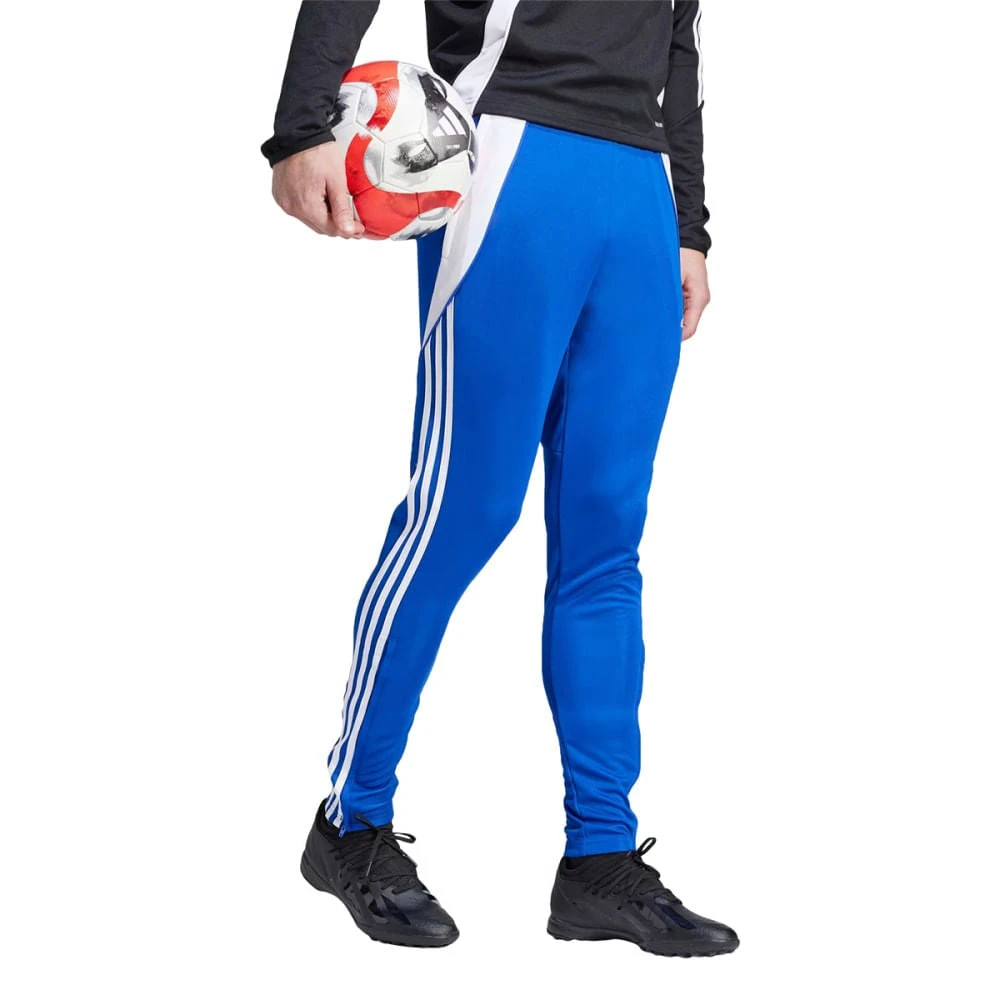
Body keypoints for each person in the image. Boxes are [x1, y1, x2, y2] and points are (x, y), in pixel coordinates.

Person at [262, 0, 738, 957]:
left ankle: (600, 856)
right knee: (461, 513)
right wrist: (301, 127)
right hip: (510, 151)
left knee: (606, 538)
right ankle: (351, 821)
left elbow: (678, 41)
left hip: (638, 184)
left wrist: (688, 223)